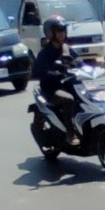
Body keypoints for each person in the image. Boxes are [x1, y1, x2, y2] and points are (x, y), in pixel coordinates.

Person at [31, 15, 81, 145]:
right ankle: (71, 134)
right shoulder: (45, 53)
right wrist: (52, 72)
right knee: (68, 100)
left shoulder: (67, 49)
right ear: (50, 33)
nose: (61, 34)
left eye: (63, 31)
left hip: (68, 84)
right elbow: (37, 71)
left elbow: (79, 62)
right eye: (58, 31)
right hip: (51, 89)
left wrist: (84, 67)